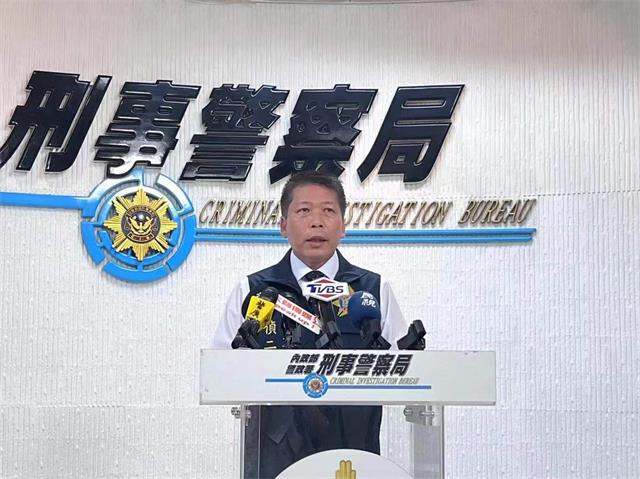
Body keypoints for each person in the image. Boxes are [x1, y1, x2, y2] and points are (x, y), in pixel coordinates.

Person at [212, 170, 408, 478]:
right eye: (304, 211)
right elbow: (221, 370)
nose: (316, 222)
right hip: (273, 457)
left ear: (343, 225)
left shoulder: (372, 290)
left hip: (353, 456)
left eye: (328, 211)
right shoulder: (254, 290)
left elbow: (405, 371)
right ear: (283, 226)